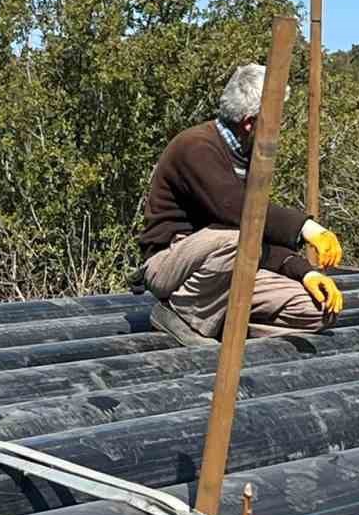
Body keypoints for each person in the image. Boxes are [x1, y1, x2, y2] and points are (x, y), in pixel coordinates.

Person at [137, 63, 346, 339]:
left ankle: (221, 326)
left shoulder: (248, 156)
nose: (279, 127)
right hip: (172, 265)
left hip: (227, 268)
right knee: (236, 239)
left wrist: (305, 273)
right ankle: (181, 317)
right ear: (249, 122)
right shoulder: (196, 146)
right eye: (275, 119)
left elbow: (257, 235)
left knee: (315, 310)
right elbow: (239, 212)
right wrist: (307, 228)